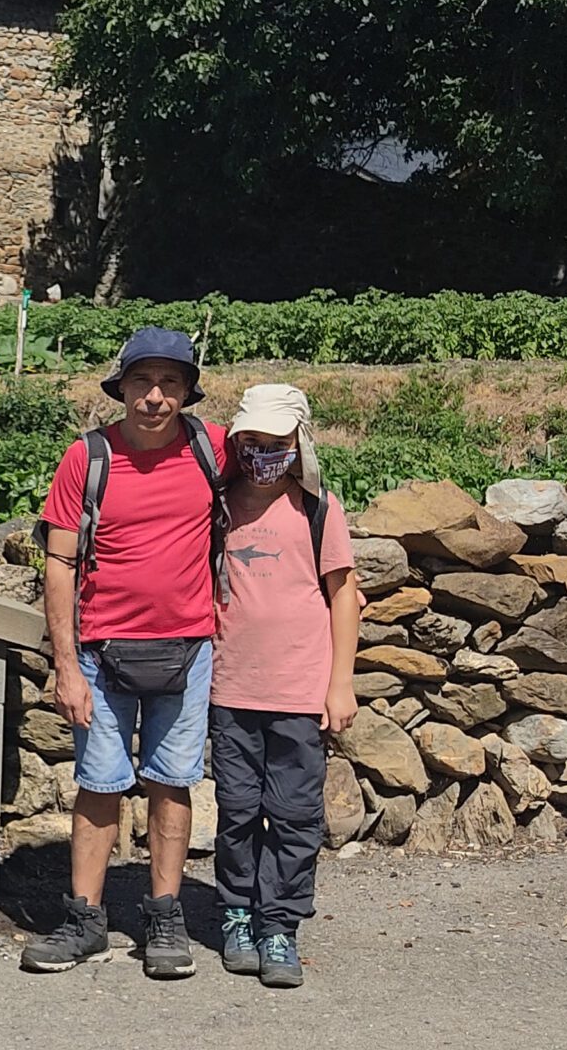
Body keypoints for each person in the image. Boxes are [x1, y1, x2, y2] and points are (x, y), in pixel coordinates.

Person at [23, 327, 229, 979]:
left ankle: (164, 916)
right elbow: (60, 564)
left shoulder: (213, 449)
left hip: (188, 647)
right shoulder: (87, 458)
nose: (155, 397)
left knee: (173, 782)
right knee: (99, 784)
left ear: (187, 391)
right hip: (100, 651)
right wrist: (65, 667)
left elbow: (285, 472)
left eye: (170, 383)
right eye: (142, 381)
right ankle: (85, 919)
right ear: (122, 388)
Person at [211, 384, 360, 989]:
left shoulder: (319, 509)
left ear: (299, 441)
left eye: (275, 441)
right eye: (250, 439)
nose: (262, 451)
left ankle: (280, 926)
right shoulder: (219, 505)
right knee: (237, 812)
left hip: (300, 692)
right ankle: (236, 914)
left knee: (295, 816)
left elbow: (344, 595)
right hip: (231, 689)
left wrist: (340, 684)